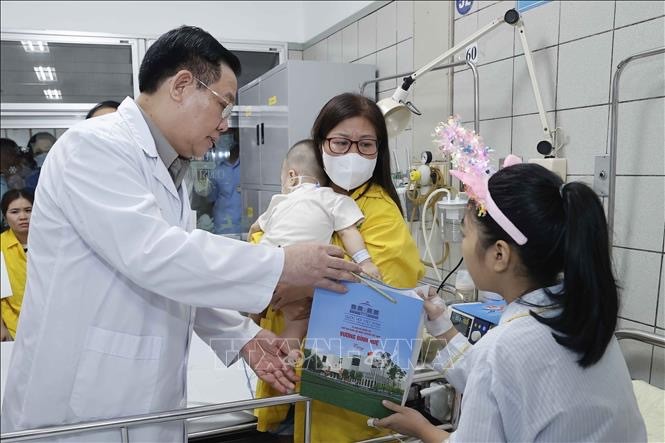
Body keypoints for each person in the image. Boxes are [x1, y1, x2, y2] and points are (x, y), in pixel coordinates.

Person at [0, 26, 361, 442]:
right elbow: (156, 256)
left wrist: (242, 336)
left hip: (142, 399)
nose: (225, 124)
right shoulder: (92, 146)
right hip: (83, 406)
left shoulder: (171, 171)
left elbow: (181, 279)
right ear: (183, 85)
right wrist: (284, 264)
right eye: (224, 105)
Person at [372, 161, 646, 441]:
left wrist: (421, 428)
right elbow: (496, 376)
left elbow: (495, 370)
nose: (462, 245)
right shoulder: (580, 315)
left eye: (465, 234)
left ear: (499, 255)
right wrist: (441, 322)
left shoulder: (503, 349)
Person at [255, 93, 424, 443]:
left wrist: (293, 283)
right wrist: (290, 279)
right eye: (341, 142)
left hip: (340, 394)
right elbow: (257, 248)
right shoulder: (304, 197)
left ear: (379, 150)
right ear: (321, 144)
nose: (352, 154)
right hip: (285, 379)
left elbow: (382, 288)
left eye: (365, 145)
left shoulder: (379, 210)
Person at [249, 139, 382, 349]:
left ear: (292, 177)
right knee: (301, 318)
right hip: (300, 274)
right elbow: (348, 231)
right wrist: (365, 262)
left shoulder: (279, 201)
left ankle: (252, 327)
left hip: (267, 268)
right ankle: (288, 353)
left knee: (257, 300)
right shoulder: (333, 199)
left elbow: (256, 228)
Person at [0, 189, 33, 341]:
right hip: (16, 325)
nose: (23, 217)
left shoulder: (52, 240)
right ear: (5, 217)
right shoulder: (1, 245)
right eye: (14, 212)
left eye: (28, 210)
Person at [209, 130, 242, 234]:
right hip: (222, 227)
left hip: (243, 226)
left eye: (229, 137)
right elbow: (210, 199)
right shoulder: (217, 171)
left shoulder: (247, 168)